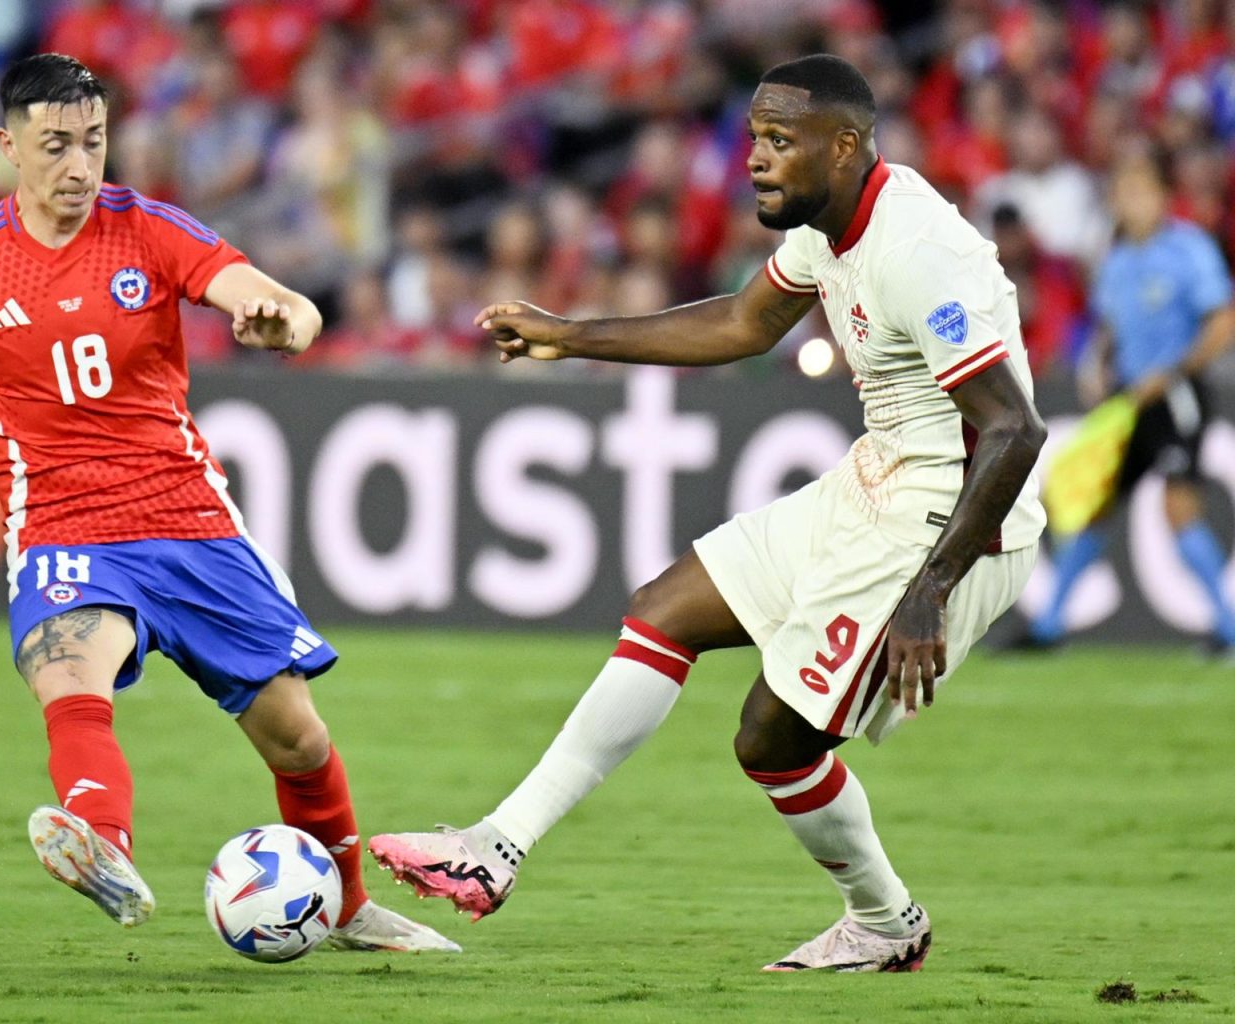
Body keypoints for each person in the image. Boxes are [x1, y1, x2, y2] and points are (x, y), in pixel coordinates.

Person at [371, 54, 1047, 973]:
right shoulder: (828, 221)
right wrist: (569, 334)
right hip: (882, 474)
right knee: (665, 608)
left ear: (845, 146)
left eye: (781, 140)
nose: (756, 160)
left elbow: (1014, 430)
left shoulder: (918, 251)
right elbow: (741, 323)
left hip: (957, 515)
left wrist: (932, 590)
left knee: (771, 737)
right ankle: (497, 844)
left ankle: (886, 923)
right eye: (755, 139)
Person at [0, 54, 458, 953]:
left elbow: (267, 296)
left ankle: (350, 907)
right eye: (56, 146)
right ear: (8, 146)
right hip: (59, 523)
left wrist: (284, 318)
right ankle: (103, 845)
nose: (79, 166)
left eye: (93, 141)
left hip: (187, 516)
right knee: (66, 671)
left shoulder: (150, 230)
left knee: (296, 738)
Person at [1020, 152, 1235, 653]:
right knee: (1095, 505)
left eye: (1142, 190)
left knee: (1178, 507)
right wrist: (1097, 364)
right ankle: (1048, 628)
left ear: (1163, 196)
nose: (1132, 201)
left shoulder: (1188, 249)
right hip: (1128, 399)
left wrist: (1174, 372)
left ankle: (1227, 628)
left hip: (1177, 396)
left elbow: (1222, 320)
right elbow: (1109, 330)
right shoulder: (1116, 261)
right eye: (1124, 192)